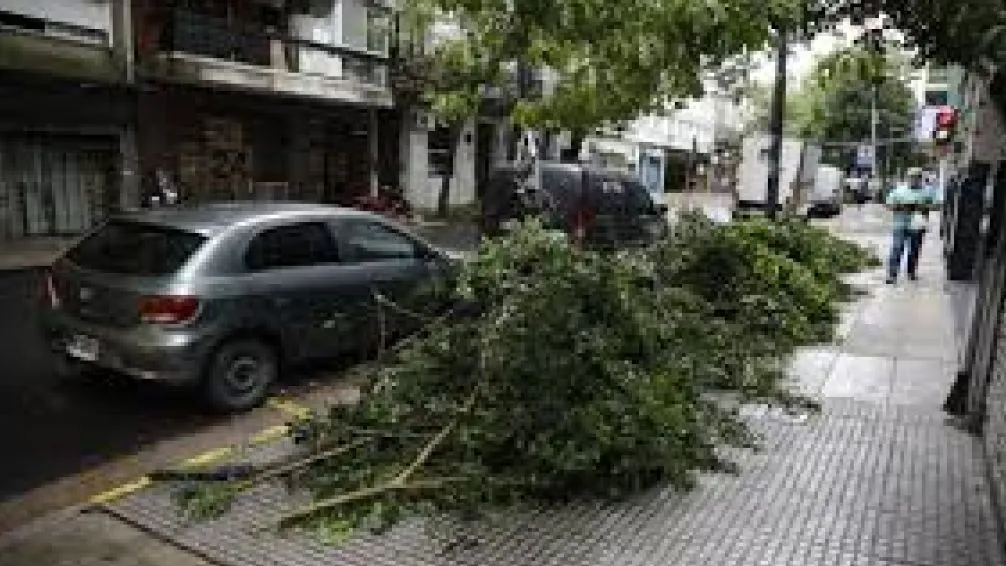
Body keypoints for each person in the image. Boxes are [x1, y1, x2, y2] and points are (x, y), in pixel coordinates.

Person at [884, 167, 942, 284]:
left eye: (916, 177)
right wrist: (901, 207)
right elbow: (889, 204)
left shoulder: (928, 191)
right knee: (897, 247)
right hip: (900, 224)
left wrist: (923, 206)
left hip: (918, 225)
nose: (913, 180)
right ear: (907, 178)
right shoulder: (899, 190)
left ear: (921, 178)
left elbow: (937, 205)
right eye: (911, 177)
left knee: (914, 250)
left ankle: (911, 272)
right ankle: (892, 274)